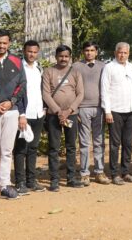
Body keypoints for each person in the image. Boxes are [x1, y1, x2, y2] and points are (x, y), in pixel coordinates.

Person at [0, 29, 27, 201]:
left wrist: (12, 101)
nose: (1, 46)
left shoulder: (16, 61)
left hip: (11, 111)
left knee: (7, 151)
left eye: (5, 43)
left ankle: (5, 185)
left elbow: (22, 84)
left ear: (9, 43)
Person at [42, 44, 85, 190]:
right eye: (61, 56)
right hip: (54, 116)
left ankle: (71, 178)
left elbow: (80, 94)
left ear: (70, 57)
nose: (63, 59)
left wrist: (69, 110)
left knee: (71, 147)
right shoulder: (49, 72)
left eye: (66, 56)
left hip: (71, 116)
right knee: (53, 148)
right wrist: (58, 111)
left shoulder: (75, 72)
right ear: (56, 57)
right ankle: (54, 179)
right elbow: (46, 94)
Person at [72, 41, 111, 185]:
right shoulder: (76, 66)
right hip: (82, 108)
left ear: (97, 52)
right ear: (83, 51)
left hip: (100, 108)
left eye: (92, 50)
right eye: (87, 50)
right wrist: (75, 108)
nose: (89, 53)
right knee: (83, 142)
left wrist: (107, 108)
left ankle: (99, 172)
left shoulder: (103, 66)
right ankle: (84, 173)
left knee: (99, 141)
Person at [101, 42, 132, 184]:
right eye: (120, 52)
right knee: (115, 144)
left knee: (128, 143)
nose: (122, 55)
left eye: (125, 53)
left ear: (129, 53)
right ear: (115, 53)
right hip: (115, 111)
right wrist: (107, 111)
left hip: (131, 110)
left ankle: (126, 172)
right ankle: (114, 174)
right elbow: (104, 90)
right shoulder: (109, 67)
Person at [14, 40, 46, 194]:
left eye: (34, 52)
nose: (32, 54)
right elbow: (17, 93)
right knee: (21, 149)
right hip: (24, 115)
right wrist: (21, 114)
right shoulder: (19, 68)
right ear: (24, 51)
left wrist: (43, 109)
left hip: (38, 113)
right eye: (29, 51)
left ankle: (31, 181)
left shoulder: (39, 68)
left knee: (33, 148)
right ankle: (20, 183)